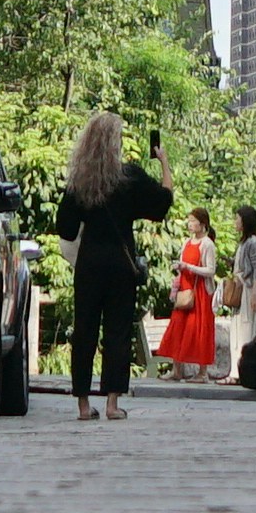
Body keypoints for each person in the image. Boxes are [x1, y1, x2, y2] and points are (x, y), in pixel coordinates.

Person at [57, 112, 174, 422]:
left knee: (85, 331)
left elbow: (66, 229)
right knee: (117, 332)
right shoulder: (130, 177)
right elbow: (162, 203)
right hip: (121, 265)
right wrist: (163, 160)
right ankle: (112, 403)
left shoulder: (79, 183)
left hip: (90, 264)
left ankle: (83, 405)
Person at [154, 216, 220, 382]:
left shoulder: (207, 244)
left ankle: (202, 372)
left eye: (193, 221)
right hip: (185, 289)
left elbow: (211, 270)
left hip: (201, 293)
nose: (190, 224)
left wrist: (188, 267)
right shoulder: (187, 242)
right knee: (178, 327)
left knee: (199, 329)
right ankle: (176, 369)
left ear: (202, 224)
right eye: (189, 221)